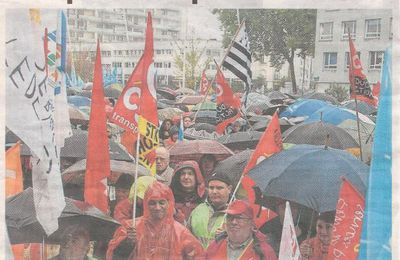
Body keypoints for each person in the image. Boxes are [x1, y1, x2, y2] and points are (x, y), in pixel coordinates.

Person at [106, 181, 205, 260]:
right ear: (145, 204)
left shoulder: (181, 233)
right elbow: (113, 256)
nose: (157, 207)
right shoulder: (130, 228)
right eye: (152, 203)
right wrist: (127, 243)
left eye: (162, 202)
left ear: (169, 203)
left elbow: (197, 255)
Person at [206, 200, 277, 260]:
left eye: (239, 218)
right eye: (230, 217)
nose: (234, 222)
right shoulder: (215, 245)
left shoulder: (265, 252)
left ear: (251, 223)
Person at [188, 174, 232, 249]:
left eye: (219, 188)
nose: (214, 191)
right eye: (211, 188)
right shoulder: (198, 210)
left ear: (229, 189)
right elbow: (187, 237)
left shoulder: (237, 214)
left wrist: (231, 235)